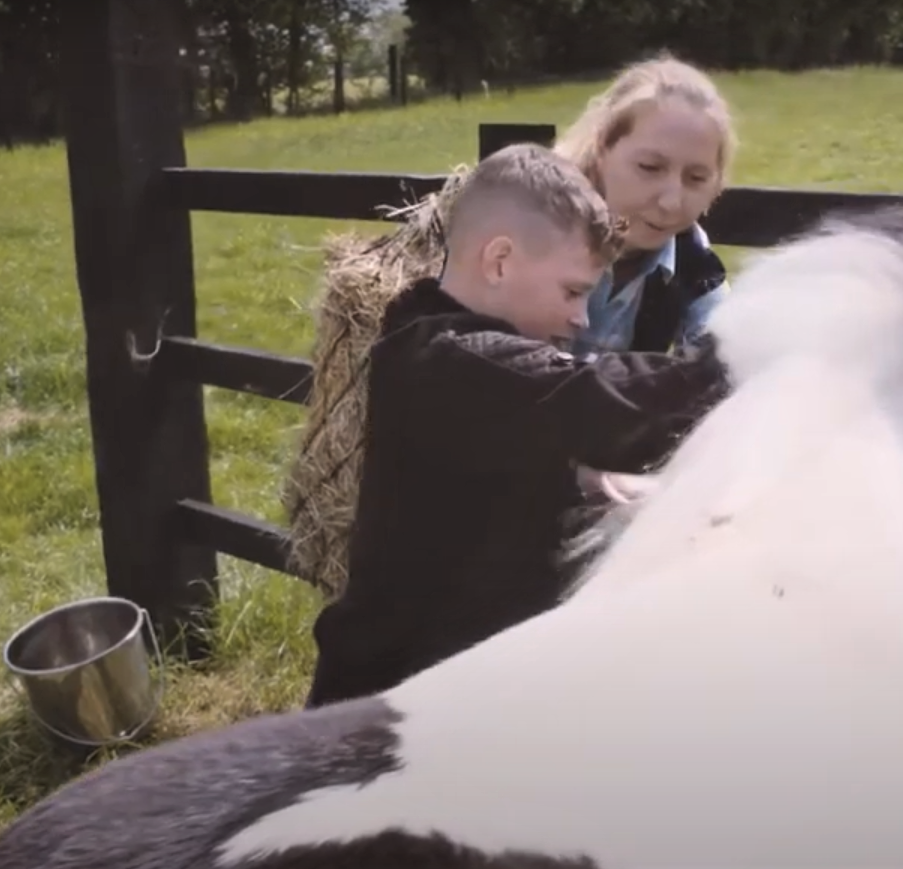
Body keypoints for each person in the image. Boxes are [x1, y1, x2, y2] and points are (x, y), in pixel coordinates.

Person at [304, 143, 730, 709]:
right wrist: (750, 357)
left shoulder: (438, 350)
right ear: (500, 261)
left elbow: (514, 454)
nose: (582, 319)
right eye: (574, 291)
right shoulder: (453, 360)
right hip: (388, 706)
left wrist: (588, 489)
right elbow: (605, 403)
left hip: (450, 688)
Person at [555, 51, 738, 357]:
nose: (670, 202)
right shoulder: (533, 236)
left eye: (695, 178)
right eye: (650, 168)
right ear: (602, 149)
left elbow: (728, 350)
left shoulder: (690, 256)